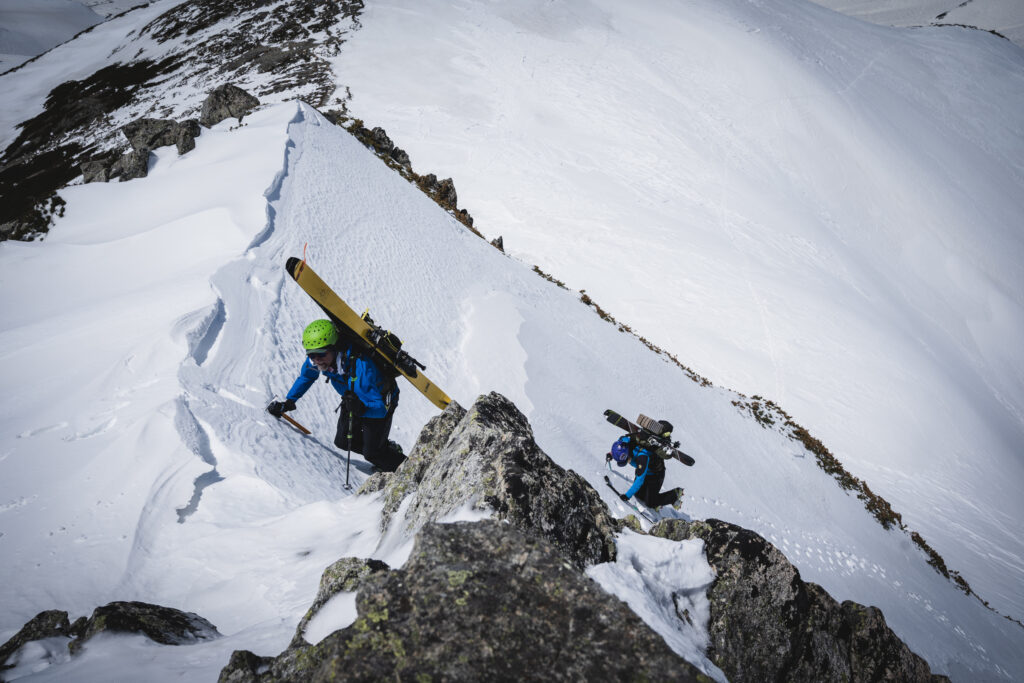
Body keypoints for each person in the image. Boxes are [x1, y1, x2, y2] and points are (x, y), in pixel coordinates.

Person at [267, 319, 406, 472]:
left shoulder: (361, 369)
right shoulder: (318, 361)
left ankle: (405, 467)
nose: (316, 360)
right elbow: (307, 377)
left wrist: (362, 409)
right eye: (311, 355)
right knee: (343, 441)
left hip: (379, 402)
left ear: (334, 348)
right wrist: (288, 402)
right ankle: (387, 448)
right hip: (351, 398)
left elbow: (381, 410)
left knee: (372, 453)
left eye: (320, 354)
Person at [607, 421, 683, 509]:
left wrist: (627, 496)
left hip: (656, 475)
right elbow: (619, 446)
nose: (627, 461)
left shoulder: (642, 458)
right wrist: (612, 454)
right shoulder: (626, 442)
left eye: (626, 460)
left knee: (650, 502)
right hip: (645, 470)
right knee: (639, 495)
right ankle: (657, 500)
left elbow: (639, 480)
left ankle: (674, 495)